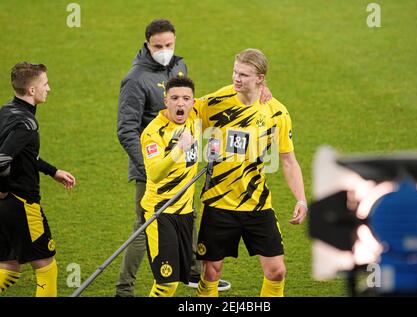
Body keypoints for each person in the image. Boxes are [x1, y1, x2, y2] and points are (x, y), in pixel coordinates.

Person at [116, 18, 230, 296]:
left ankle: (190, 272)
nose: (165, 49)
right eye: (159, 46)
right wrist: (150, 165)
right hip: (152, 165)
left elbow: (193, 106)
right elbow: (126, 129)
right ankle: (124, 288)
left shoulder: (179, 65)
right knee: (145, 226)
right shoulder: (135, 79)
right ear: (147, 45)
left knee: (186, 215)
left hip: (184, 163)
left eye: (169, 44)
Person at [195, 49, 308, 297]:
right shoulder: (216, 102)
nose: (236, 78)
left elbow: (288, 161)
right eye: (235, 72)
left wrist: (301, 198)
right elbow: (181, 114)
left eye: (244, 75)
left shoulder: (277, 112)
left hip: (257, 204)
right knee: (211, 271)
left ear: (260, 78)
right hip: (217, 202)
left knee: (277, 271)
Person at [0, 62, 76, 297]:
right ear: (32, 91)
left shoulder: (5, 112)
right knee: (46, 267)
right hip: (22, 203)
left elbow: (25, 154)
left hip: (4, 207)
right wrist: (2, 189)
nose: (49, 88)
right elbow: (2, 159)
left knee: (9, 267)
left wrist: (52, 171)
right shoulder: (27, 124)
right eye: (45, 84)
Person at [140, 76, 202, 297]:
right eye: (174, 98)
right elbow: (155, 173)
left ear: (194, 103)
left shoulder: (195, 116)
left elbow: (222, 99)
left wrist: (260, 89)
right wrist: (179, 149)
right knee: (167, 283)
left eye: (186, 98)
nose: (180, 103)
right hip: (160, 213)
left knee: (178, 279)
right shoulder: (152, 133)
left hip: (185, 214)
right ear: (165, 101)